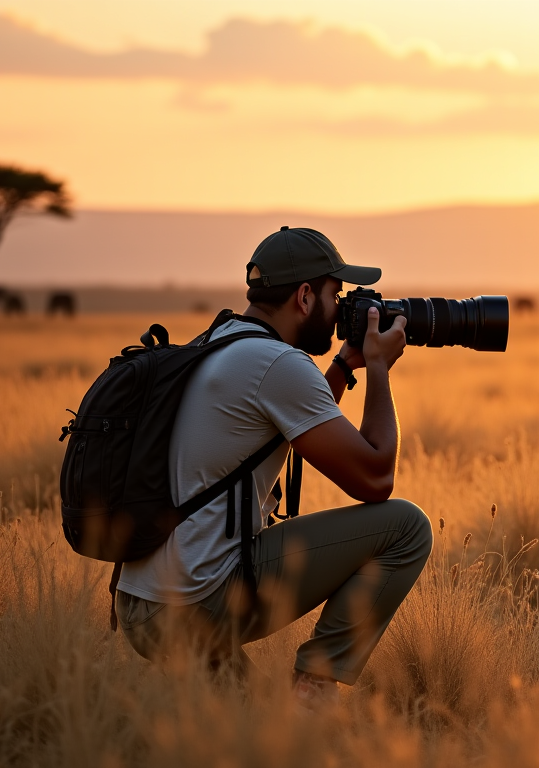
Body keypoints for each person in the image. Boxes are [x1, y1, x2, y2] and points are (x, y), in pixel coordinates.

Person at [114, 226, 433, 709]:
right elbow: (374, 480)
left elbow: (300, 419)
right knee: (407, 527)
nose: (344, 306)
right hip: (198, 601)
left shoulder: (222, 340)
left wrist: (345, 366)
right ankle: (313, 692)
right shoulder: (278, 364)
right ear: (305, 296)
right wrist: (380, 369)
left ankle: (285, 718)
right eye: (336, 293)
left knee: (262, 729)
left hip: (143, 603)